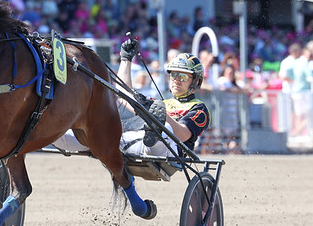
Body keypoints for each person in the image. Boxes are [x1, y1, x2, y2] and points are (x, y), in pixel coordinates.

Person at [52, 37, 211, 157]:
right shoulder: (162, 102)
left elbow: (183, 135)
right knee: (64, 134)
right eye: (174, 74)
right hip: (128, 139)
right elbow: (123, 96)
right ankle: (41, 125)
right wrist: (126, 59)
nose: (176, 79)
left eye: (183, 77)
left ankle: (151, 133)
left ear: (195, 81)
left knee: (166, 129)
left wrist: (158, 114)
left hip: (169, 150)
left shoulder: (199, 108)